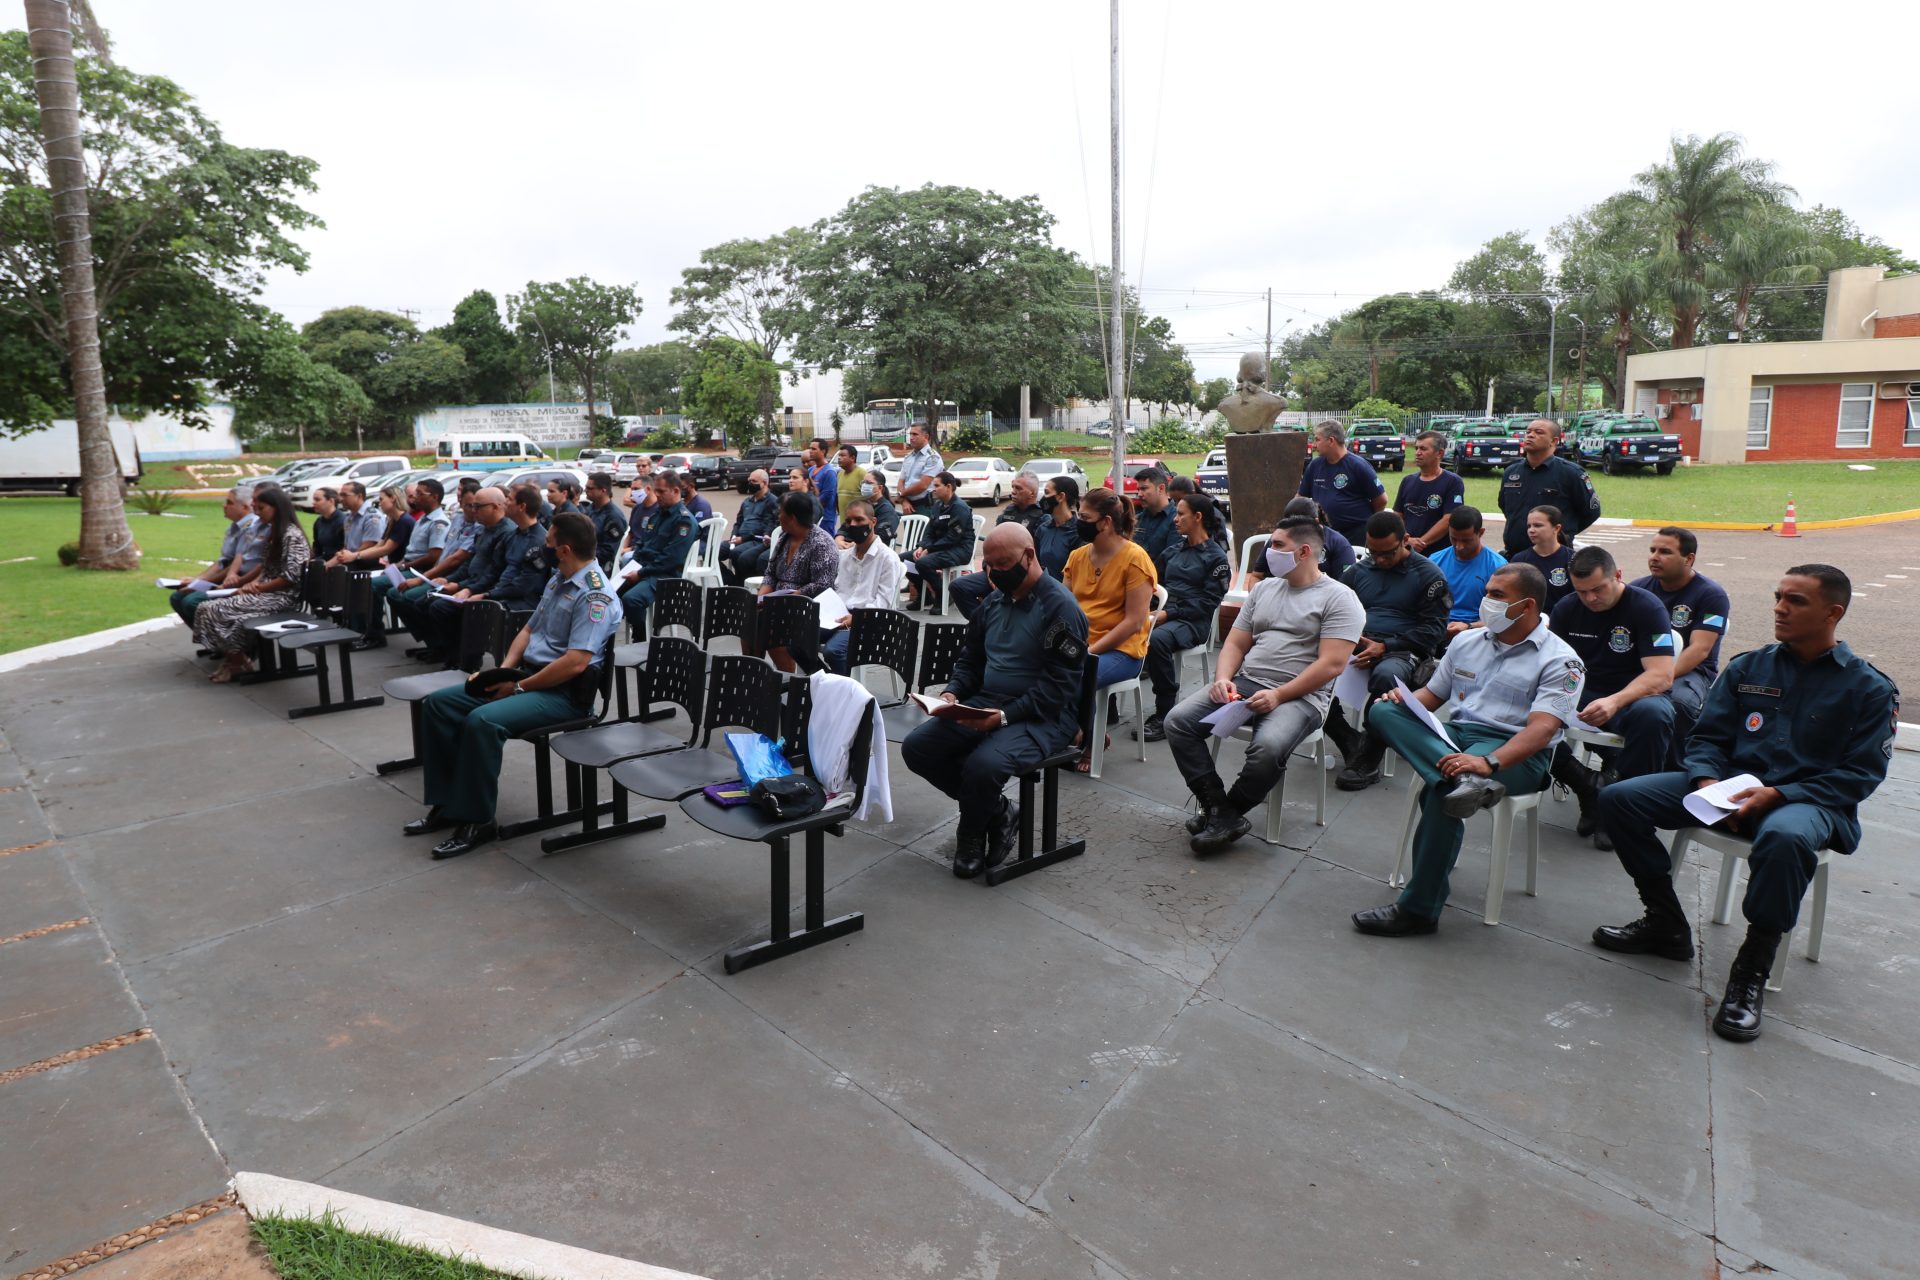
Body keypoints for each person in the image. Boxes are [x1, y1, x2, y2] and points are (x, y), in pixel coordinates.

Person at [1595, 566, 1898, 1044]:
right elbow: (1707, 737)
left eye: (1795, 601)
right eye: (1778, 596)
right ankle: (1665, 923)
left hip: (1809, 798)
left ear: (1832, 613)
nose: (1779, 608)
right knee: (1620, 798)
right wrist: (1708, 781)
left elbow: (1860, 774)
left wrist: (1778, 794)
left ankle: (1751, 970)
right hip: (1730, 787)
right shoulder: (1748, 667)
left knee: (1785, 837)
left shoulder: (1868, 688)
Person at [1350, 563, 1585, 936]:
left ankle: (1419, 910)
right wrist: (1402, 700)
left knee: (1442, 793)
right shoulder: (1466, 642)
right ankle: (1465, 783)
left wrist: (1488, 762)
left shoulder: (1561, 660)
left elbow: (1542, 731)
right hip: (1454, 736)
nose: (1485, 601)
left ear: (1527, 606)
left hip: (1514, 751)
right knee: (1383, 711)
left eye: (1497, 595)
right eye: (1487, 592)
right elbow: (1431, 697)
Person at [403, 512, 622, 861]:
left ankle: (478, 820)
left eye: (549, 543)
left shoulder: (595, 595)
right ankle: (448, 804)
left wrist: (518, 689)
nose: (544, 547)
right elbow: (529, 630)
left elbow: (575, 663)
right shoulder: (559, 578)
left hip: (564, 694)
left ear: (565, 550)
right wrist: (504, 673)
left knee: (483, 721)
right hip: (528, 678)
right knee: (440, 705)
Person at [1164, 516, 1363, 852]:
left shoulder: (1340, 598)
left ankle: (1227, 812)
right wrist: (1223, 679)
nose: (1269, 551)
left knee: (1267, 748)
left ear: (1303, 552)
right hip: (1247, 683)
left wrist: (1278, 695)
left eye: (1277, 545)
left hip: (1301, 697)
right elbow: (1235, 643)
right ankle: (1218, 809)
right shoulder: (1265, 589)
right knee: (1178, 722)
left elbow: (1332, 664)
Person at [900, 524, 1088, 878]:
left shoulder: (1059, 608)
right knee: (918, 748)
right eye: (989, 565)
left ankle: (971, 834)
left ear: (1029, 556)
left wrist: (1002, 716)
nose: (995, 573)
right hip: (988, 700)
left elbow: (1058, 688)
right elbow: (971, 660)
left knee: (983, 766)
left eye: (1003, 565)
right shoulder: (994, 602)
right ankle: (997, 811)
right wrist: (953, 692)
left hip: (1044, 715)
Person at [1546, 545, 1678, 849]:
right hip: (1581, 692)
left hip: (1633, 694)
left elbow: (1661, 675)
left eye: (1598, 589)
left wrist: (1615, 701)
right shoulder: (1566, 608)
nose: (1590, 598)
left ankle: (1625, 813)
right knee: (1522, 709)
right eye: (1582, 592)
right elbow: (1550, 665)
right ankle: (1587, 785)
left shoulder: (1647, 607)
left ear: (1618, 575)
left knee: (1655, 716)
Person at [1327, 510, 1454, 791]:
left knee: (1386, 676)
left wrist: (1386, 646)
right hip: (1358, 643)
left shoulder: (1428, 575)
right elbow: (1334, 607)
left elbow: (1434, 631)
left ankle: (1368, 759)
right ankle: (1348, 738)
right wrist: (1354, 639)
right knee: (1305, 668)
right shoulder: (1360, 571)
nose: (1380, 560)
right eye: (1374, 552)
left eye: (1388, 553)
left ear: (1405, 540)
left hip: (1403, 649)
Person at [1063, 486, 1156, 771]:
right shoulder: (1077, 556)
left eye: (1085, 517)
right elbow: (1064, 608)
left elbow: (1134, 622)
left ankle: (1087, 740)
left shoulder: (1135, 559)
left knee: (1080, 675)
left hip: (1123, 650)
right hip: (1082, 643)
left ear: (1105, 522)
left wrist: (1089, 651)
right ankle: (1081, 731)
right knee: (1039, 666)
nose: (1078, 522)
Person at [194, 487, 312, 682]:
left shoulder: (292, 536)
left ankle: (237, 661)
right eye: (256, 508)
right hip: (267, 594)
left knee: (217, 610)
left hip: (282, 598)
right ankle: (237, 659)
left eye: (261, 508)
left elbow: (290, 578)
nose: (257, 513)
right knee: (206, 608)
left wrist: (257, 588)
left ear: (276, 507)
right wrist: (249, 586)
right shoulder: (275, 533)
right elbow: (266, 568)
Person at [1141, 492, 1231, 742]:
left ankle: (1164, 713)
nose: (1175, 519)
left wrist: (1168, 613)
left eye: (1181, 514)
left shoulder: (1216, 558)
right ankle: (1109, 706)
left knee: (1157, 640)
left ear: (1198, 517)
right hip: (1164, 615)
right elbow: (1150, 584)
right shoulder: (1172, 552)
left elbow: (1207, 603)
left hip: (1192, 622)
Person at [1629, 526, 1729, 737]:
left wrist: (1656, 678)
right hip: (1643, 666)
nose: (1654, 557)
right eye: (1652, 550)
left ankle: (1679, 758)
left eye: (1665, 552)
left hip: (1691, 671)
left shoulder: (1712, 595)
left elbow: (1700, 649)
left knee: (1678, 705)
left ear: (1689, 559)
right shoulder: (1637, 590)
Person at [361, 478, 451, 650]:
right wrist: (397, 566)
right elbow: (411, 552)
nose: (414, 497)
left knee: (379, 587)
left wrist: (404, 566)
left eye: (420, 494)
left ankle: (376, 635)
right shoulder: (422, 519)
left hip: (421, 571)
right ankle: (430, 640)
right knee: (380, 586)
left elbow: (433, 556)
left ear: (434, 497)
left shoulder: (439, 522)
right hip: (409, 566)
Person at [822, 499, 906, 674]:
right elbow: (837, 590)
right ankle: (825, 679)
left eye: (859, 520)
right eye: (849, 521)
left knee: (833, 651)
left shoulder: (887, 558)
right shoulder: (845, 556)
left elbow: (883, 603)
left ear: (873, 522)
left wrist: (856, 618)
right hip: (839, 616)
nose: (853, 525)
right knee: (798, 640)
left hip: (869, 621)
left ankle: (845, 688)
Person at [948, 472, 1049, 618]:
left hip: (1021, 575)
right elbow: (992, 547)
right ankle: (983, 623)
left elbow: (1038, 557)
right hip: (995, 570)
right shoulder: (1006, 514)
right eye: (1013, 487)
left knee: (1004, 594)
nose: (1013, 491)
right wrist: (990, 572)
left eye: (1019, 488)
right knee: (958, 586)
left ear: (1032, 493)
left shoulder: (1042, 518)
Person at [1498, 419, 1600, 556]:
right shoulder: (1511, 472)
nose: (1530, 435)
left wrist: (1563, 534)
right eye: (1528, 432)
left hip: (1553, 556)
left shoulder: (1571, 473)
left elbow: (1591, 511)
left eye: (1539, 432)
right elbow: (1506, 507)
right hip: (1515, 555)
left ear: (1554, 441)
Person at [615, 470, 698, 629]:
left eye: (661, 491)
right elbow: (642, 544)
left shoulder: (684, 521)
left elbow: (671, 559)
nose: (657, 495)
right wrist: (634, 566)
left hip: (664, 575)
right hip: (644, 569)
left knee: (631, 600)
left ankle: (640, 638)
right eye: (656, 490)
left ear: (675, 491)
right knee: (607, 597)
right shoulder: (656, 515)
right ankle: (607, 641)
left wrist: (640, 573)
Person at [170, 488, 258, 625]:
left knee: (192, 602)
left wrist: (200, 585)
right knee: (177, 597)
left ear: (245, 507)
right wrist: (197, 580)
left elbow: (234, 565)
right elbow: (222, 562)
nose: (224, 506)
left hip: (240, 581)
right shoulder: (234, 527)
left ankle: (220, 636)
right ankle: (207, 636)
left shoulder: (251, 527)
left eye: (229, 503)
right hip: (225, 579)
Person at [1297, 421, 1387, 544]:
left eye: (1317, 440)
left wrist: (1368, 524)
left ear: (1331, 441)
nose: (1313, 445)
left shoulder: (1358, 466)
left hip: (1355, 535)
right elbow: (1300, 497)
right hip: (1324, 534)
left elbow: (1381, 500)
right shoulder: (1315, 465)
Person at [1427, 506, 1506, 638]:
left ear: (1481, 533)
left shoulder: (1497, 566)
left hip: (1476, 634)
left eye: (1466, 540)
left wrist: (1468, 627)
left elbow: (1502, 617)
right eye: (1454, 539)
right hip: (1437, 628)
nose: (1459, 546)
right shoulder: (1434, 561)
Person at [901, 471, 973, 612]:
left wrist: (929, 550)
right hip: (940, 548)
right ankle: (925, 596)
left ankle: (944, 594)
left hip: (959, 549)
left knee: (923, 563)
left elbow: (953, 538)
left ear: (948, 487)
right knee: (903, 560)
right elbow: (929, 531)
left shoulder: (959, 507)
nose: (933, 489)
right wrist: (921, 547)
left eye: (937, 486)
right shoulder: (938, 506)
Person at [1395, 430, 1466, 553]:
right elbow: (1398, 515)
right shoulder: (1407, 481)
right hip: (1407, 551)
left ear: (1440, 453)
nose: (1417, 453)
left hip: (1438, 554)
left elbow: (1449, 519)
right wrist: (1407, 540)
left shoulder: (1453, 482)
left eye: (1423, 449)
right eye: (1416, 448)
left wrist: (1421, 543)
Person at [1508, 505, 1574, 611]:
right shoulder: (1519, 560)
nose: (1531, 530)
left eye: (1538, 525)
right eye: (1529, 526)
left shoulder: (1572, 559)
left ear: (1557, 528)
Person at [720, 469, 778, 586]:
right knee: (712, 552)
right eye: (749, 481)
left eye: (754, 481)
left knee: (738, 554)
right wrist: (734, 535)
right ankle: (732, 582)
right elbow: (738, 522)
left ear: (764, 483)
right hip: (739, 539)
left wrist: (743, 538)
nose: (750, 484)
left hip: (756, 540)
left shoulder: (772, 501)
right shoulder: (747, 501)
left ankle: (742, 584)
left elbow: (767, 526)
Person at [1131, 465, 1178, 572]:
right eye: (1138, 489)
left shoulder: (1177, 520)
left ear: (1161, 488)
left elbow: (1172, 561)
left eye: (1144, 488)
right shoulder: (1137, 520)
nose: (1139, 494)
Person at [328, 481, 385, 567]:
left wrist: (348, 556)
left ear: (359, 496)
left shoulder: (372, 517)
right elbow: (348, 547)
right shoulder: (349, 517)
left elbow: (370, 545)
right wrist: (328, 565)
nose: (341, 499)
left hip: (367, 564)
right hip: (351, 561)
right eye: (340, 495)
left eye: (345, 495)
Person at [1034, 476, 1081, 579]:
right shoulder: (1042, 529)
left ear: (1060, 497)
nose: (1043, 498)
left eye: (1047, 492)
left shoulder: (1078, 532)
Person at [896, 421, 943, 512]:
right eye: (910, 434)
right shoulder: (908, 457)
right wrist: (904, 500)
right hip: (908, 506)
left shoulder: (932, 457)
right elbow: (901, 481)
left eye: (915, 434)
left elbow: (923, 485)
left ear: (926, 437)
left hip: (925, 506)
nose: (911, 438)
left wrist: (901, 494)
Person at [584, 472, 628, 568]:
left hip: (599, 565)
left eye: (590, 488)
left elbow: (608, 551)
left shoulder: (613, 516)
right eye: (586, 487)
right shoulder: (591, 509)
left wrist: (580, 556)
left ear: (603, 491)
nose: (585, 490)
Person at [808, 438, 838, 536]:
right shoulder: (811, 470)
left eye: (814, 449)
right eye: (810, 448)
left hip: (825, 518)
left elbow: (826, 496)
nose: (810, 451)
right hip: (812, 516)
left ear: (823, 451)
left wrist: (811, 506)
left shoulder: (829, 472)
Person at [863, 470, 901, 546]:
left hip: (874, 547)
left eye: (869, 483)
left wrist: (856, 542)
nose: (864, 485)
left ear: (880, 487)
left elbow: (881, 536)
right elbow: (847, 526)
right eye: (863, 482)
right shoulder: (863, 504)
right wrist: (840, 537)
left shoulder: (886, 509)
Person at [310, 487, 347, 562]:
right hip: (321, 561)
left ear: (331, 501)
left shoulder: (343, 522)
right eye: (314, 500)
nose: (313, 503)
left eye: (317, 500)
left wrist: (328, 564)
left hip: (338, 563)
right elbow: (317, 546)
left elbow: (346, 548)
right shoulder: (319, 521)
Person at [833, 443, 866, 524]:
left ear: (852, 458)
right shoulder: (840, 474)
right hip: (844, 524)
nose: (839, 458)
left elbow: (869, 499)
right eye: (839, 455)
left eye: (843, 455)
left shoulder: (862, 474)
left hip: (858, 525)